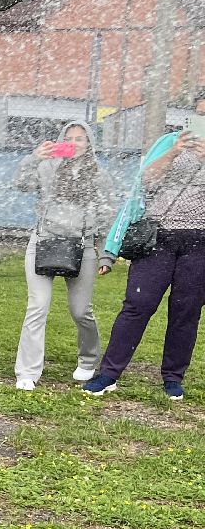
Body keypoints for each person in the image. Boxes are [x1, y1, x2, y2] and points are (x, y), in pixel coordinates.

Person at [85, 126, 205, 399]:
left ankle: (173, 378)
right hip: (157, 238)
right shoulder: (170, 141)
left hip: (200, 243)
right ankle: (109, 374)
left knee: (186, 312)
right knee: (137, 305)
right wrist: (174, 152)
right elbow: (145, 182)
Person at [13, 121, 114, 390]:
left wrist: (106, 255)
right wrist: (34, 158)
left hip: (83, 246)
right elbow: (21, 184)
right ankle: (27, 372)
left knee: (81, 311)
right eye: (69, 138)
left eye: (80, 138)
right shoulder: (47, 168)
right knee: (38, 306)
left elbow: (106, 216)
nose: (74, 143)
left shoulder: (100, 176)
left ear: (89, 143)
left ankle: (89, 360)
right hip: (44, 241)